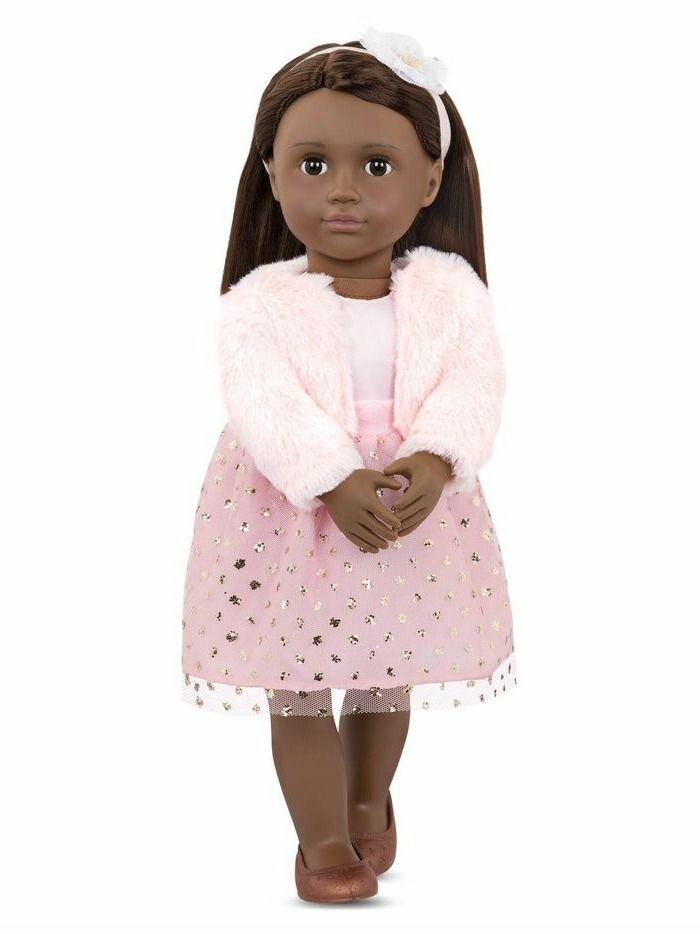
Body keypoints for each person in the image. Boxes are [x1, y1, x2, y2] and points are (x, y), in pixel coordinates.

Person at [180, 27, 518, 903]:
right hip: (288, 514)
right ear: (271, 174)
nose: (341, 190)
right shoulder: (259, 307)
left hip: (407, 508)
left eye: (376, 166)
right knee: (295, 683)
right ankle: (322, 837)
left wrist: (436, 460)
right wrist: (329, 476)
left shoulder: (449, 295)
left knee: (383, 665)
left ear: (429, 180)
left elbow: (472, 383)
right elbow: (264, 402)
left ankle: (368, 798)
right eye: (312, 164)